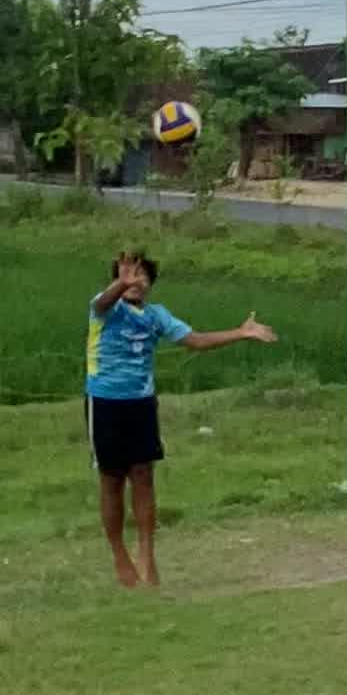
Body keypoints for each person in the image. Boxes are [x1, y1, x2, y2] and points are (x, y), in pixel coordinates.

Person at [85, 250, 277, 591]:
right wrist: (119, 285)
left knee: (143, 476)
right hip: (105, 403)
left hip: (141, 404)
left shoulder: (157, 316)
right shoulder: (105, 310)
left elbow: (195, 340)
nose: (135, 281)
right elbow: (102, 302)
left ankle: (147, 555)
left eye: (142, 276)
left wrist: (241, 332)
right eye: (129, 274)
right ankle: (119, 556)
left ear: (151, 284)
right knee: (112, 480)